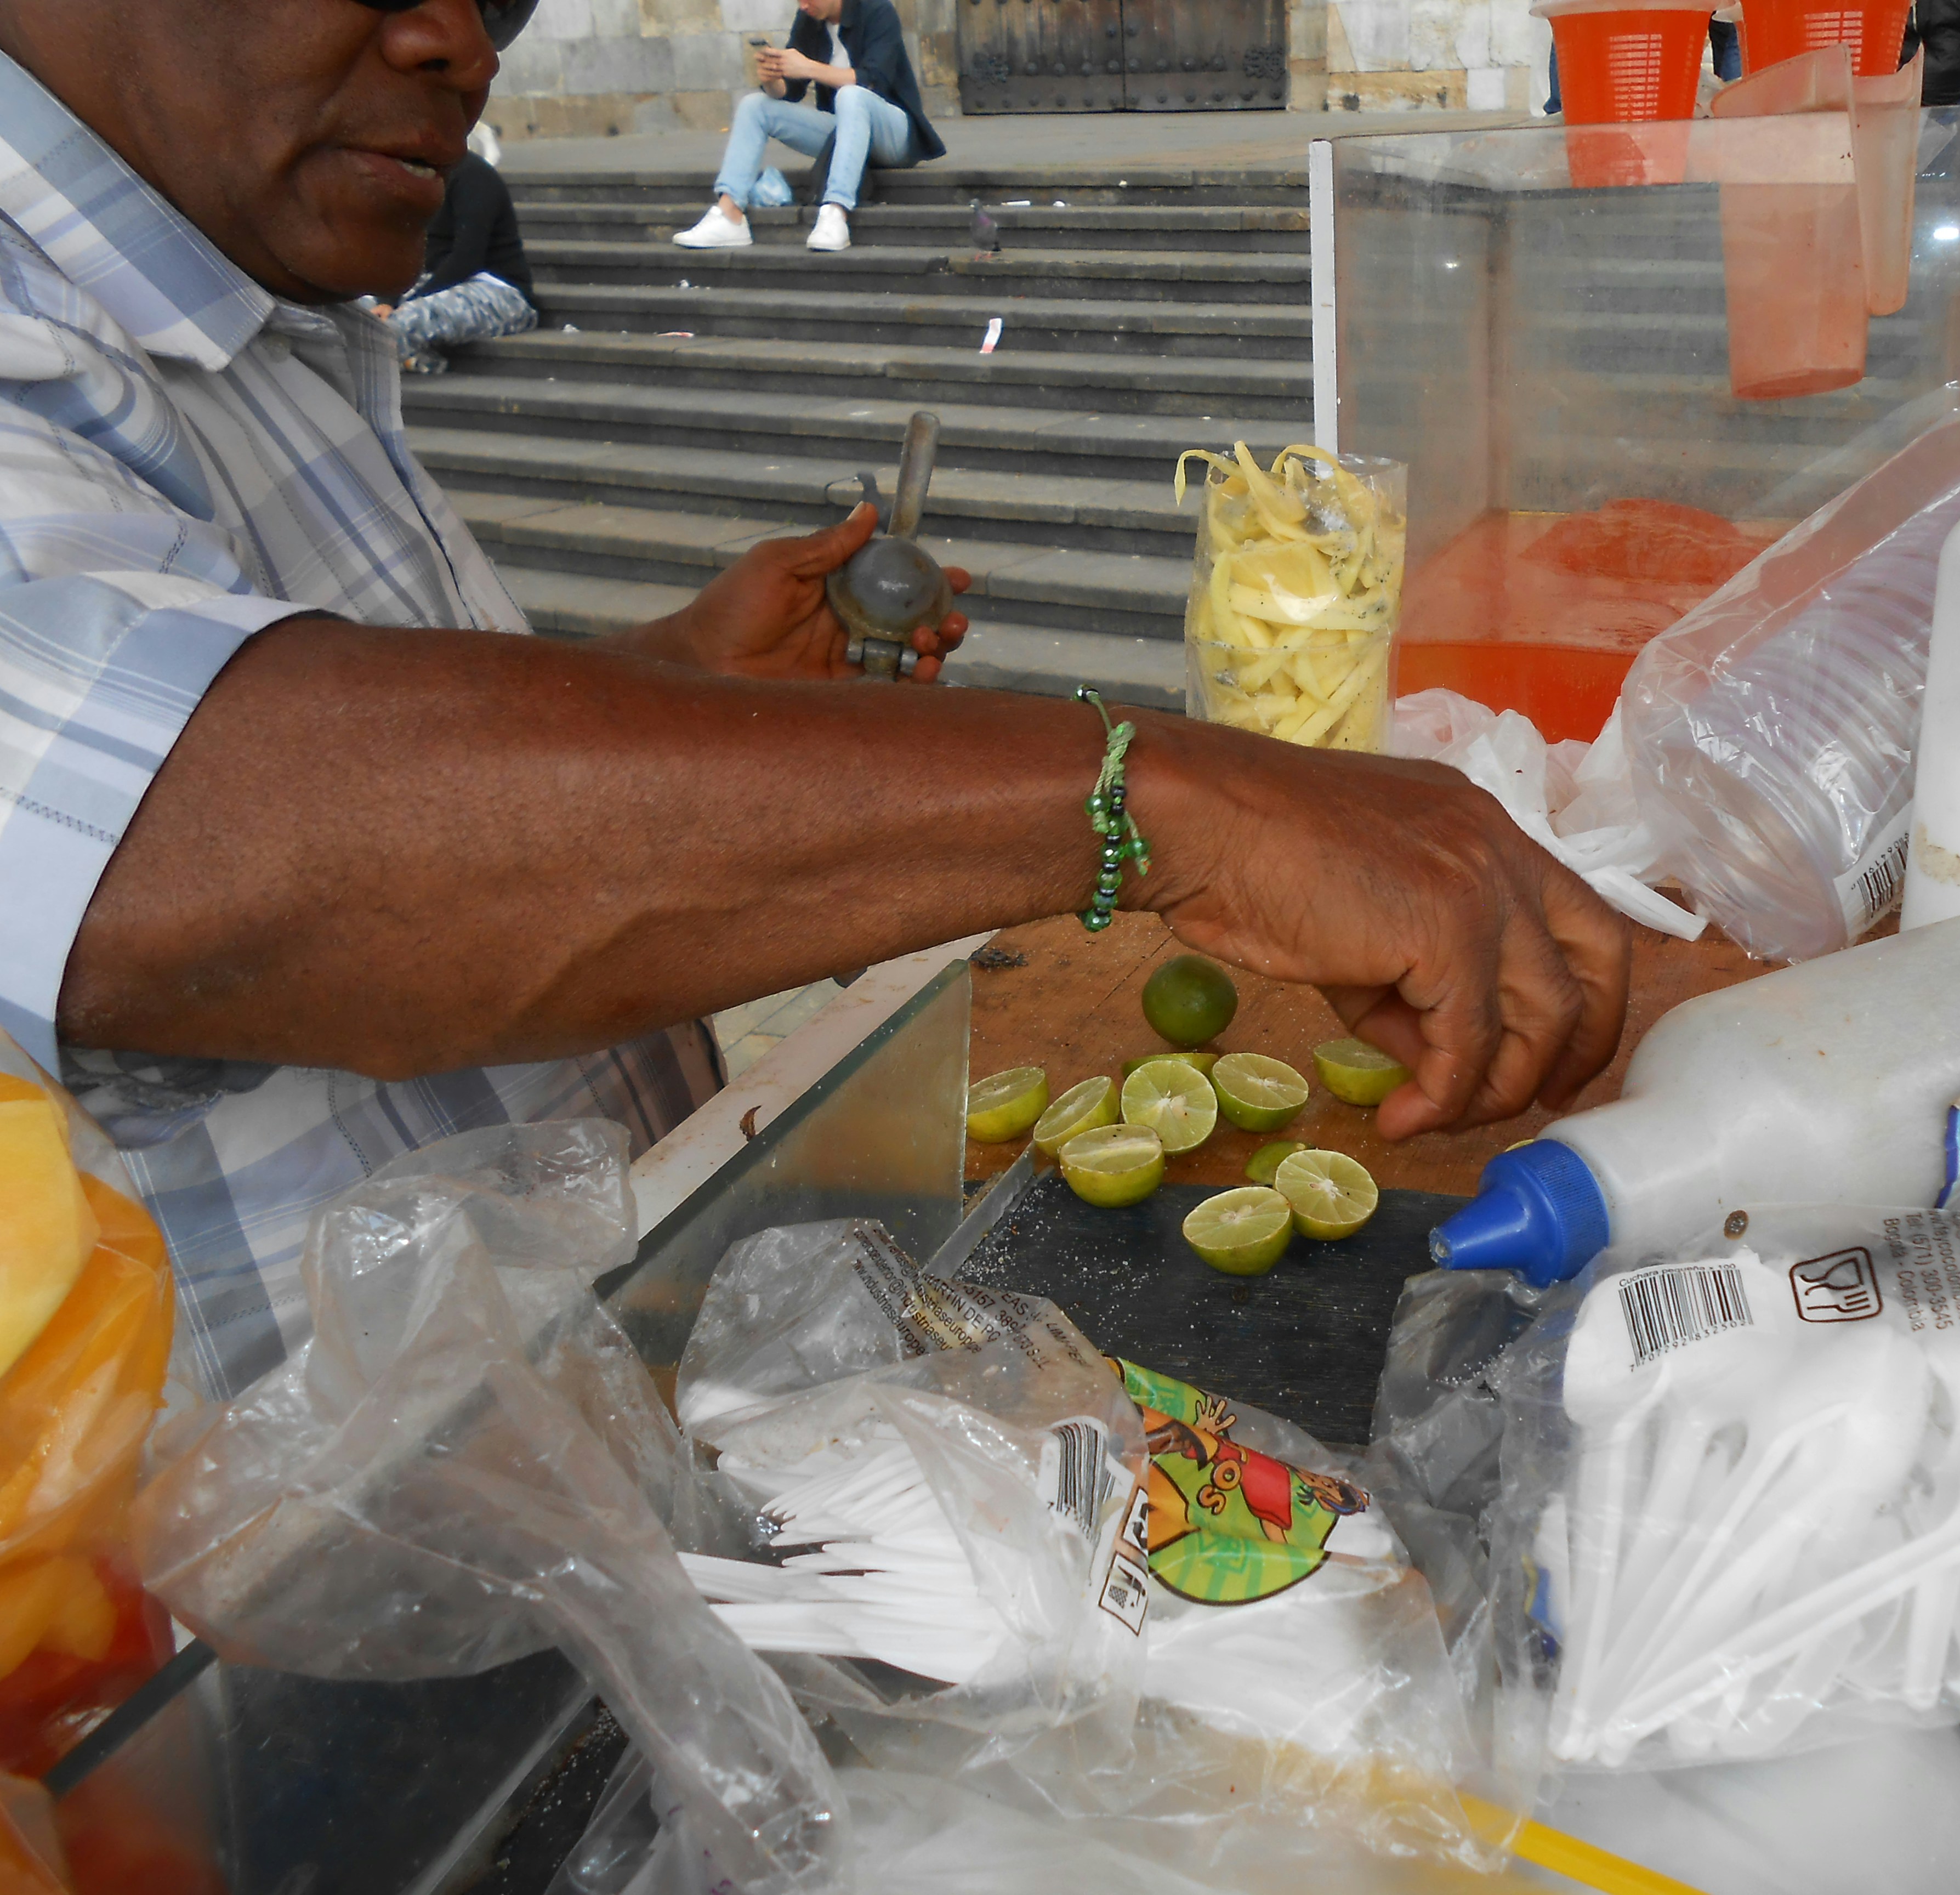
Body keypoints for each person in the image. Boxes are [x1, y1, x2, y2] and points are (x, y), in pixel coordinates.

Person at [0, 0, 1630, 1398]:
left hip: (604, 1413)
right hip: (294, 1648)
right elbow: (226, 834)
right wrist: (1165, 794)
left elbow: (310, 706)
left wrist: (665, 689)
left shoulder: (244, 297)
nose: (454, 41)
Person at [674, 0, 944, 254]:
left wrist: (809, 67)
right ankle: (729, 215)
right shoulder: (810, 18)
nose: (803, 6)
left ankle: (835, 211)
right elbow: (791, 91)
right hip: (843, 135)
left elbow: (874, 81)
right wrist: (773, 79)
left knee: (851, 95)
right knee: (754, 105)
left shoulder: (877, 10)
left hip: (895, 136)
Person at [371, 143, 535, 374]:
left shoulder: (474, 175)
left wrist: (405, 304)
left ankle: (424, 369)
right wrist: (386, 301)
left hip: (498, 291)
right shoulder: (410, 179)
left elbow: (467, 258)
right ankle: (409, 360)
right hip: (434, 282)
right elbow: (396, 246)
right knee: (353, 314)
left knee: (398, 324)